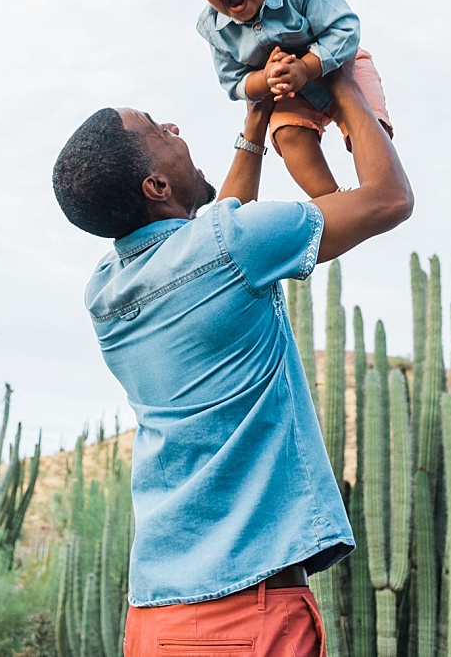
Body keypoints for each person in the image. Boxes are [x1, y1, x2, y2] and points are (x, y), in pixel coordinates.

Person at [51, 61, 412, 655]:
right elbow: (389, 199)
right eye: (158, 131)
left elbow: (213, 237)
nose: (173, 126)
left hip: (157, 617)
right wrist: (342, 73)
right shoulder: (231, 247)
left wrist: (254, 127)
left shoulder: (104, 293)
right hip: (248, 614)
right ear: (155, 188)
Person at [175, 0, 394, 197]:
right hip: (289, 91)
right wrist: (265, 78)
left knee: (369, 124)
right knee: (287, 131)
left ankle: (379, 184)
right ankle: (332, 200)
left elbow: (344, 29)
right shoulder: (215, 27)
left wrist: (306, 67)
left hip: (342, 67)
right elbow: (234, 83)